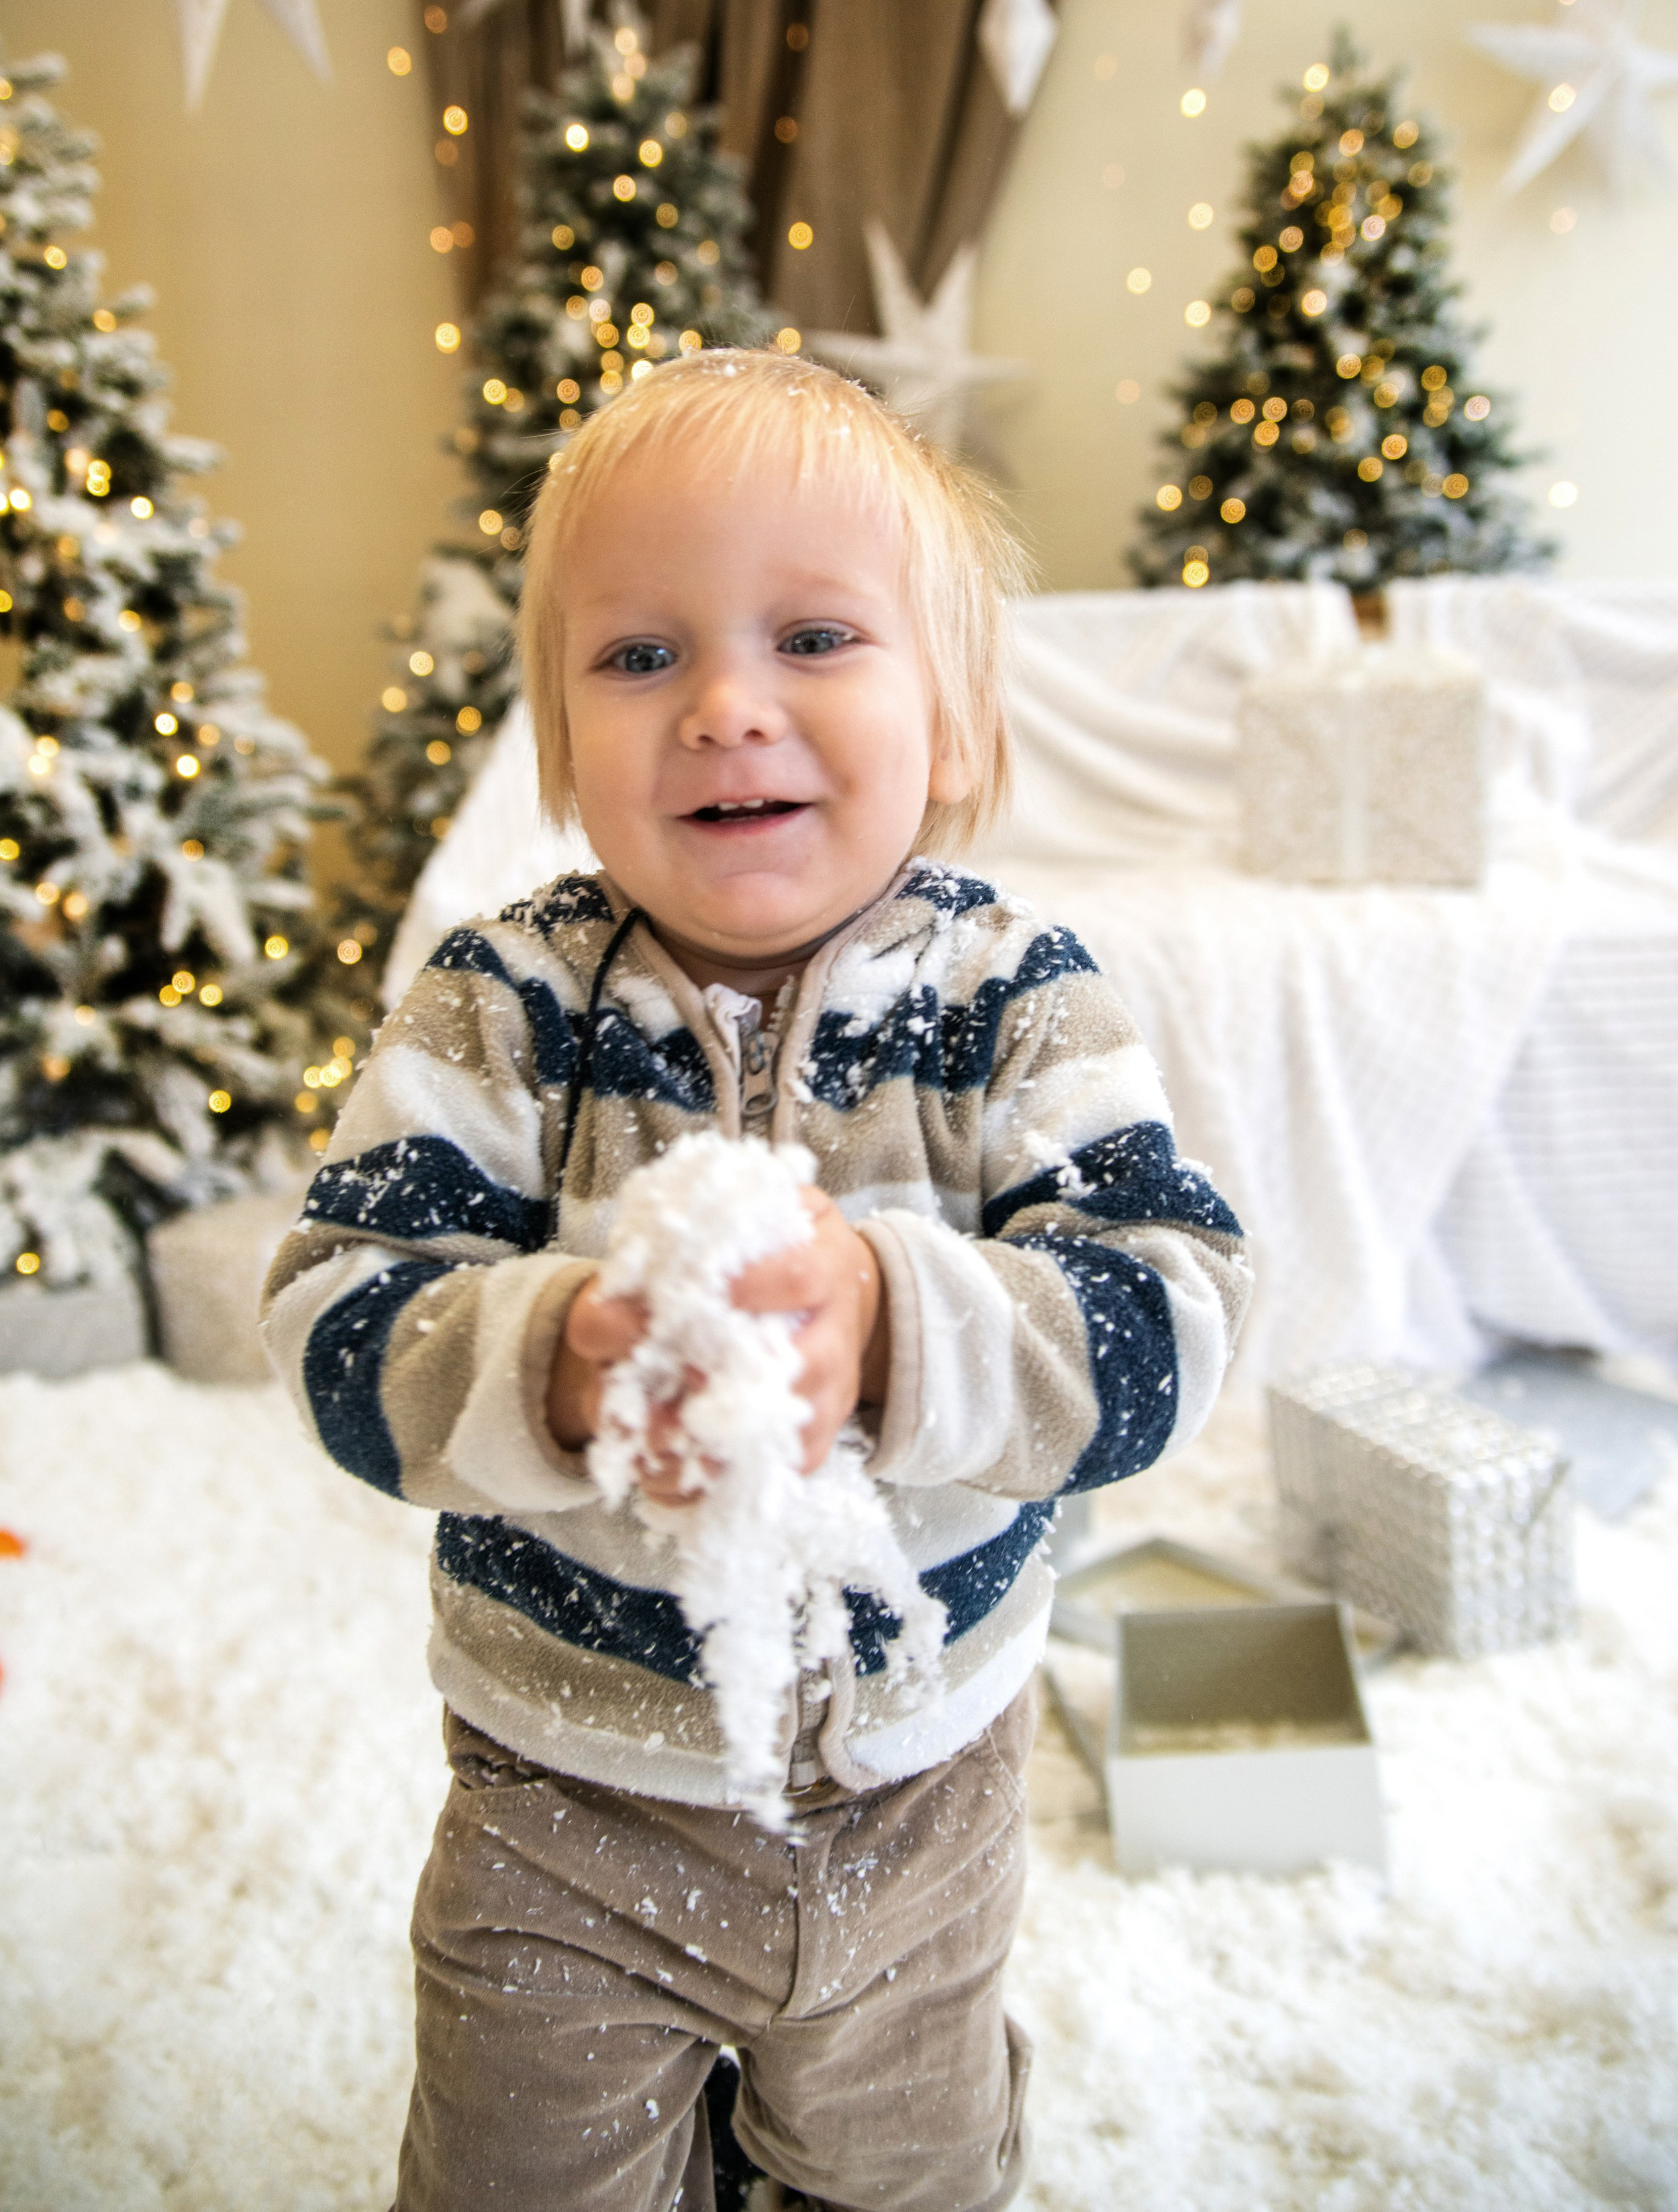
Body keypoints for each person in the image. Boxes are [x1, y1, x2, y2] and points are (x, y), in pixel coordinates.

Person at [263, 350, 1250, 2212]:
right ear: (556, 737)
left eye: (813, 637)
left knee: (911, 2174)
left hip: (925, 1800)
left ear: (952, 721)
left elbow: (1175, 1307)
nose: (727, 711)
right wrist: (554, 1358)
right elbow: (333, 1307)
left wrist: (899, 1325)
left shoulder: (1016, 996)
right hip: (567, 1800)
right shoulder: (502, 1002)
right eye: (641, 658)